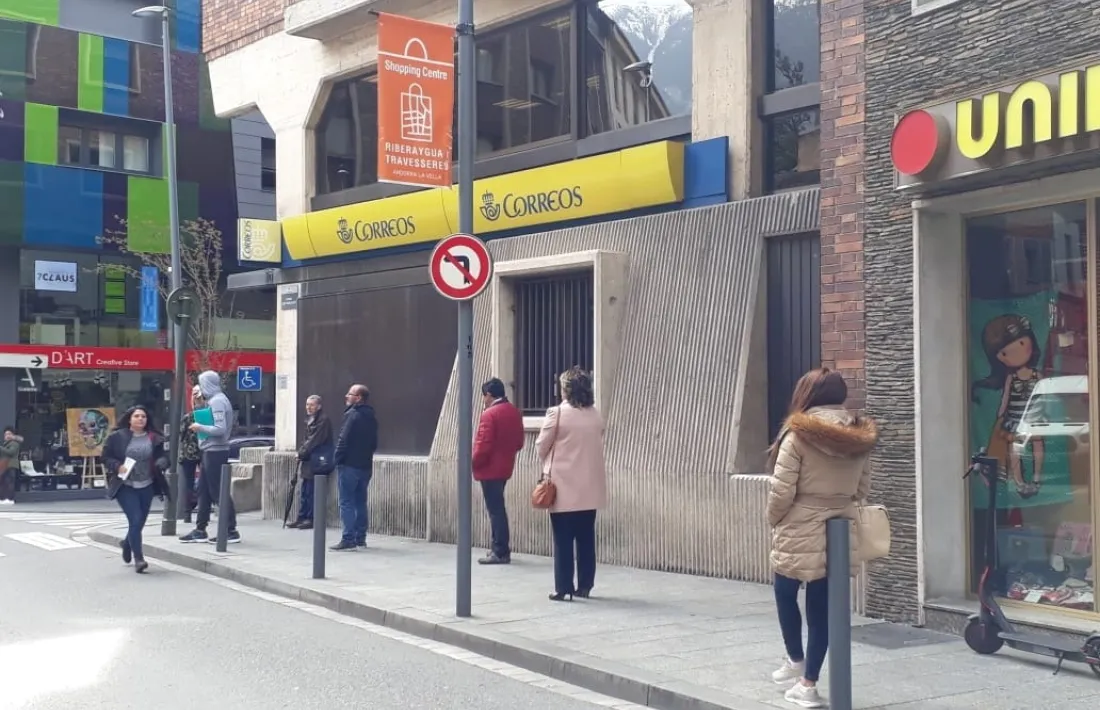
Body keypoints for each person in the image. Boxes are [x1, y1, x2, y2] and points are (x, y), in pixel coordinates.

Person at [766, 368, 876, 709]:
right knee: (822, 608)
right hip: (841, 523)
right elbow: (862, 489)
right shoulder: (860, 436)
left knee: (785, 591)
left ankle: (795, 659)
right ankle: (808, 683)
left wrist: (774, 518)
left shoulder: (797, 434)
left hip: (800, 525)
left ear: (808, 394)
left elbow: (782, 490)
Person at [535, 367, 607, 602]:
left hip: (564, 486)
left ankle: (563, 587)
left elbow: (541, 446)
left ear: (566, 389)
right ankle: (585, 585)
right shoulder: (595, 414)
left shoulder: (556, 413)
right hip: (590, 488)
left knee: (563, 540)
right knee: (586, 539)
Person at [102, 406, 172, 574]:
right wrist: (117, 466)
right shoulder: (117, 437)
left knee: (139, 522)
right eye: (137, 416)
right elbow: (105, 457)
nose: (141, 419)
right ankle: (139, 559)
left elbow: (164, 457)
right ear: (129, 419)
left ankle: (127, 543)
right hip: (125, 485)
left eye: (143, 416)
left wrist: (162, 462)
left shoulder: (154, 438)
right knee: (135, 519)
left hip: (146, 484)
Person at [180, 371, 240, 545]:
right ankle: (200, 529)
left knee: (217, 491)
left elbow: (220, 429)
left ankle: (230, 530)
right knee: (204, 492)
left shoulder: (218, 402)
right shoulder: (214, 401)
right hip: (210, 450)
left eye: (202, 383)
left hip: (216, 451)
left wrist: (200, 427)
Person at [472, 378, 524, 564]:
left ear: (489, 395)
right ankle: (498, 546)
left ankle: (500, 550)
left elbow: (483, 445)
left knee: (495, 510)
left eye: (484, 396)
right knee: (498, 508)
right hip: (505, 467)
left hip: (489, 469)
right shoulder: (514, 412)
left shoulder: (489, 414)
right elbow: (519, 442)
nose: (483, 400)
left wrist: (474, 462)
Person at [331, 384, 378, 551]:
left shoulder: (352, 415)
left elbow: (343, 439)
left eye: (349, 394)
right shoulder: (371, 416)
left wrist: (336, 459)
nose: (346, 396)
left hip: (349, 465)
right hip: (365, 465)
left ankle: (348, 538)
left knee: (346, 502)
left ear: (358, 398)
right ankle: (360, 538)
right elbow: (374, 443)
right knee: (360, 502)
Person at [292, 395, 333, 530]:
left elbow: (314, 440)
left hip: (317, 460)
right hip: (309, 460)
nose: (309, 407)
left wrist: (302, 453)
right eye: (307, 404)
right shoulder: (311, 419)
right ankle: (302, 516)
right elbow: (307, 440)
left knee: (312, 491)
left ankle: (309, 518)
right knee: (305, 490)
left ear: (319, 406)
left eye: (312, 405)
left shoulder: (322, 420)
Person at [178, 385, 203, 522]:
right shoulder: (206, 416)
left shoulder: (188, 417)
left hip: (188, 452)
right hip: (203, 451)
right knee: (203, 481)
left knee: (188, 483)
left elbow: (181, 435)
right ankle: (201, 509)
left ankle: (187, 514)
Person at [0, 426, 23, 505]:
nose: (7, 436)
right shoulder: (5, 444)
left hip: (11, 464)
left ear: (12, 435)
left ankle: (10, 498)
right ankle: (3, 498)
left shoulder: (14, 443)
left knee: (9, 482)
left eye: (9, 434)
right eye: (6, 434)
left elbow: (11, 452)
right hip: (4, 465)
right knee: (4, 482)